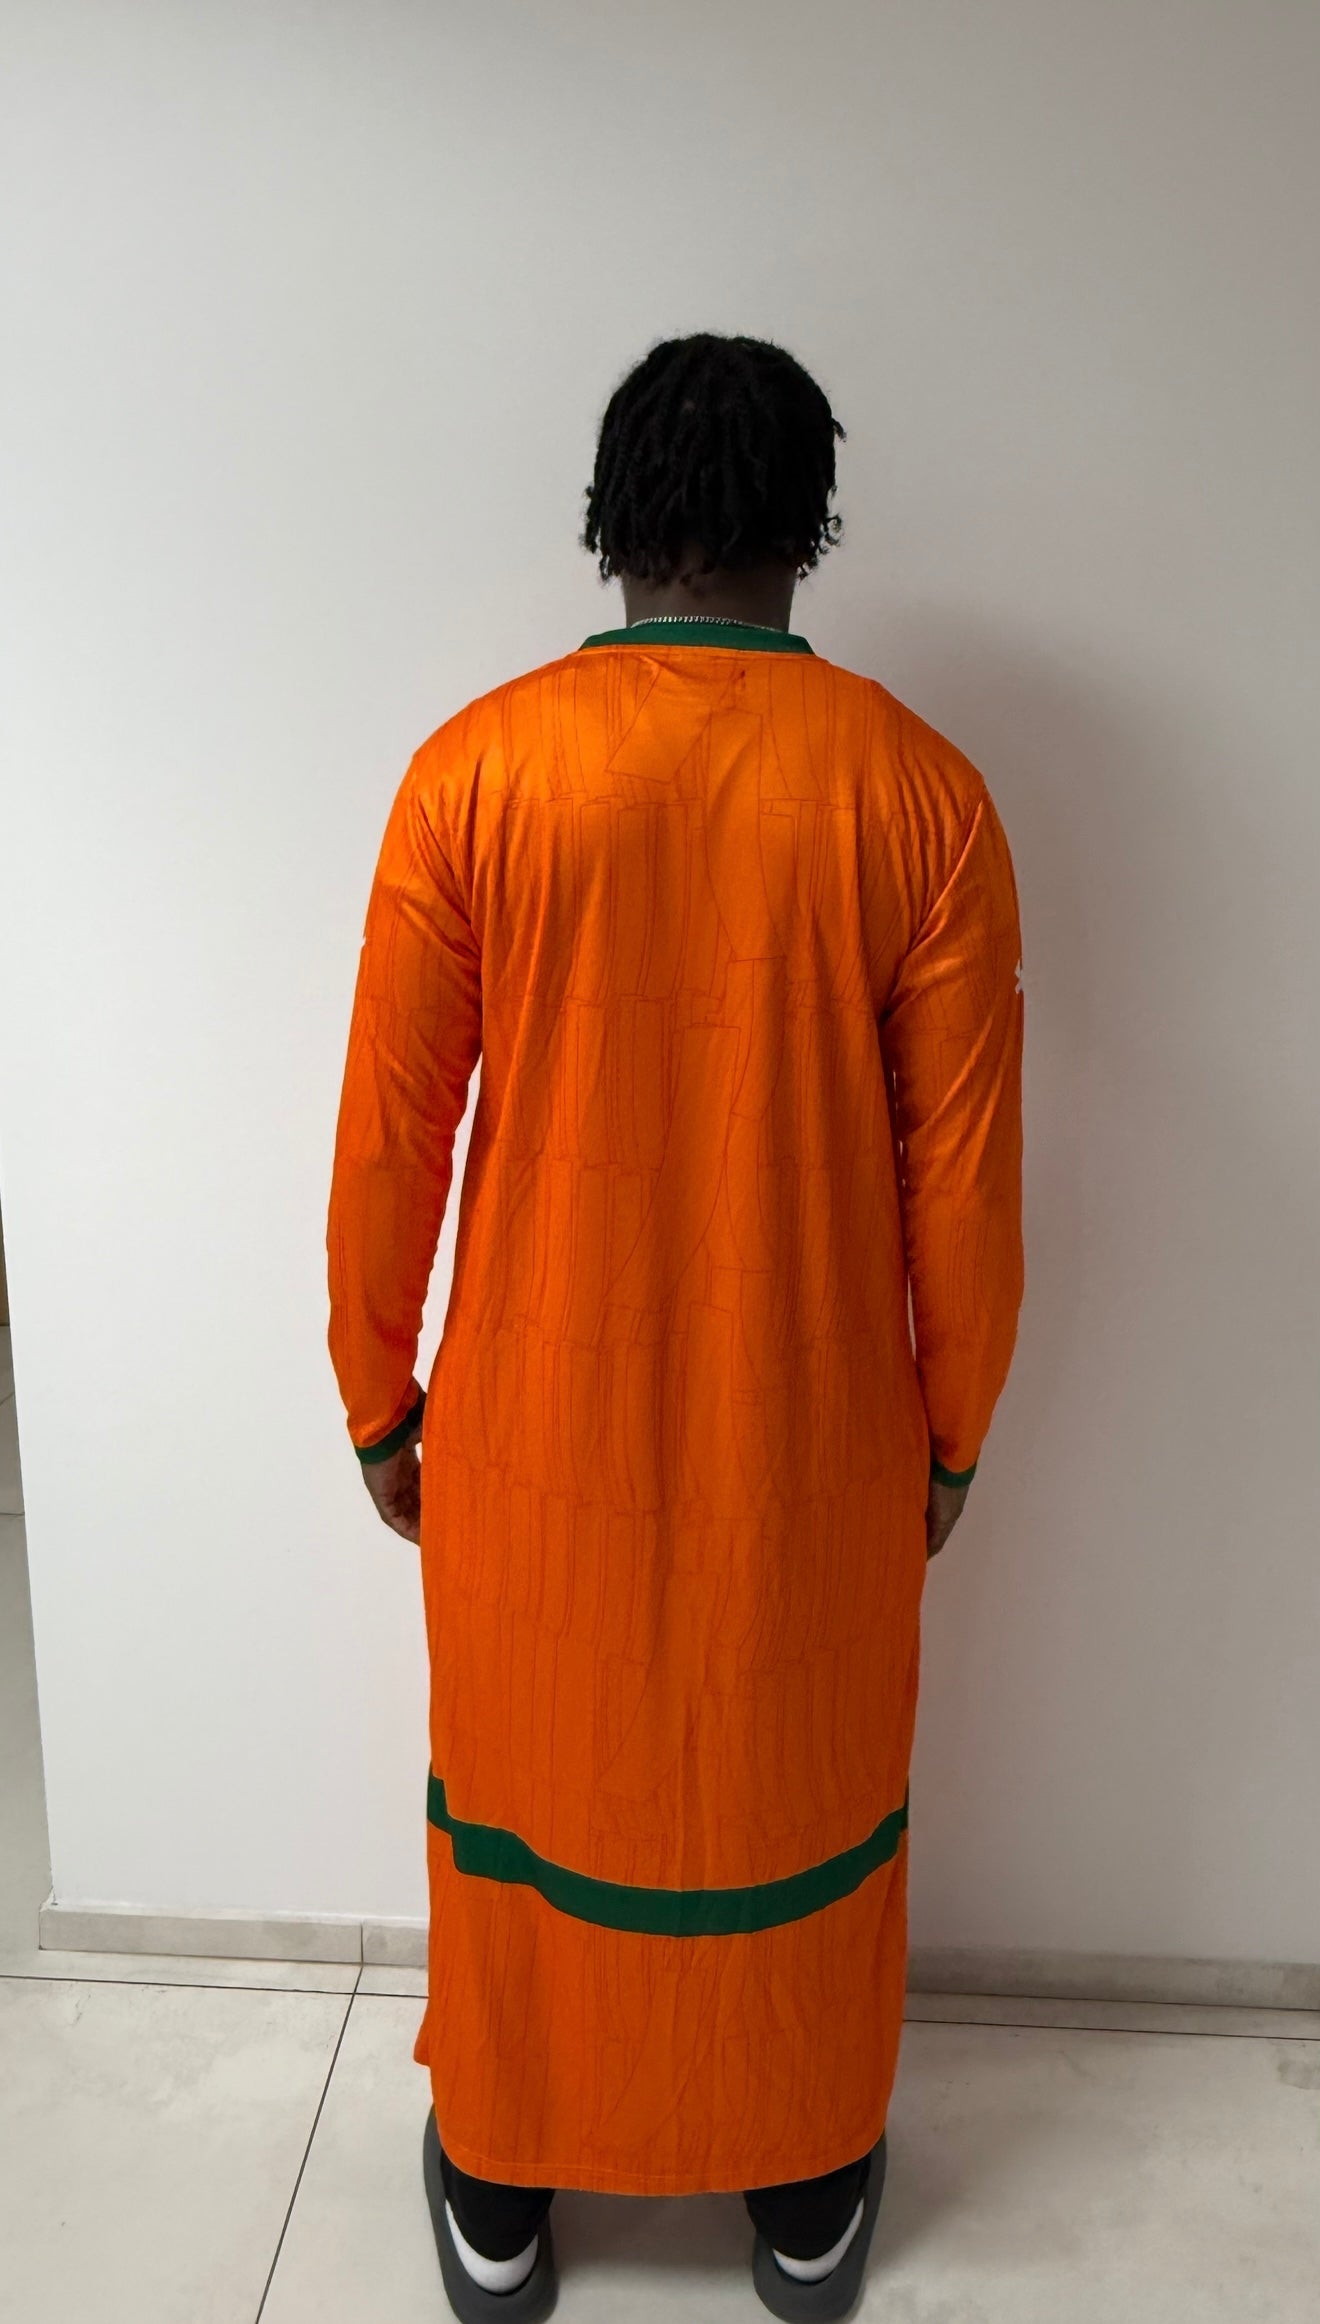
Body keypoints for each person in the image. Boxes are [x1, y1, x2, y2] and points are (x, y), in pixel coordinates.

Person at [326, 332, 1024, 2322]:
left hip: (527, 1432)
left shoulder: (475, 773)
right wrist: (954, 1430)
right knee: (789, 1786)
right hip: (814, 1437)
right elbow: (970, 1180)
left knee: (535, 1796)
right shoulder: (922, 795)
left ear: (611, 516)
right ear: (811, 521)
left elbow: (387, 1132)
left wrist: (378, 1396)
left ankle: (501, 2179)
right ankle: (802, 2191)